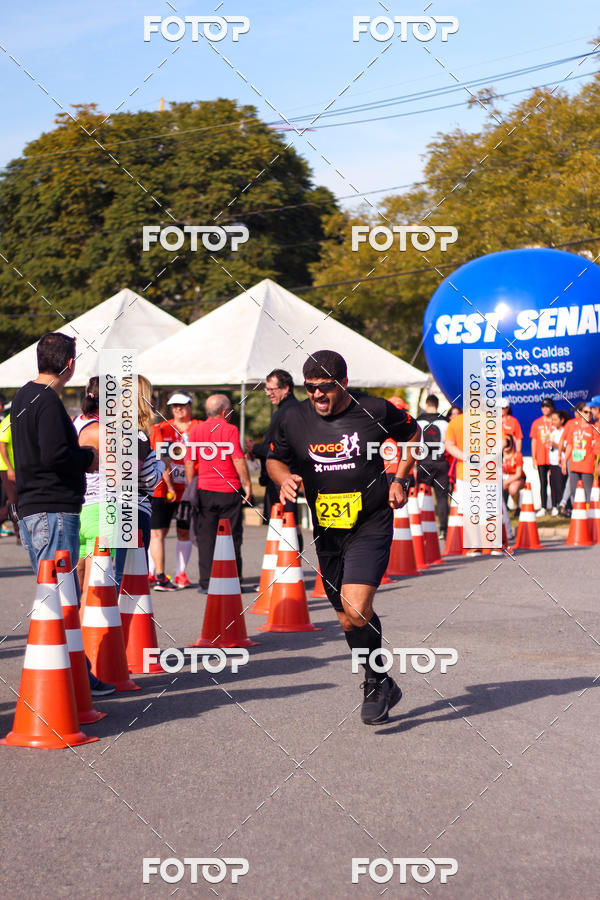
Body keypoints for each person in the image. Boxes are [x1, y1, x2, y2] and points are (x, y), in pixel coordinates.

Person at [266, 350, 420, 726]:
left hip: (371, 522)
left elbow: (415, 434)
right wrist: (283, 477)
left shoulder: (375, 410)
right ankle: (383, 679)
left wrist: (399, 479)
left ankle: (371, 683)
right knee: (348, 620)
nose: (317, 396)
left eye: (325, 388)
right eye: (310, 388)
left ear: (343, 384)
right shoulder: (291, 416)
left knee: (355, 608)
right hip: (327, 529)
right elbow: (273, 458)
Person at [11, 332, 114, 696]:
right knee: (61, 597)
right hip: (52, 508)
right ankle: (69, 682)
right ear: (70, 364)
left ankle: (71, 677)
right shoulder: (49, 402)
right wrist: (88, 458)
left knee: (56, 596)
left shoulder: (23, 396)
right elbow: (56, 455)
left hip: (34, 506)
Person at [184, 394, 251, 592]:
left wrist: (191, 486)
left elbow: (189, 461)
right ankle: (233, 579)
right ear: (224, 412)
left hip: (204, 490)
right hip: (229, 490)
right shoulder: (230, 429)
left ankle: (206, 582)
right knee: (232, 536)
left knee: (206, 537)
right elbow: (238, 459)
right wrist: (246, 483)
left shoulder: (196, 430)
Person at [114, 375, 165, 593]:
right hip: (132, 509)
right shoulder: (137, 437)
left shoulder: (108, 431)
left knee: (110, 572)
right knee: (128, 576)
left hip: (105, 507)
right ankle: (123, 625)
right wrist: (161, 467)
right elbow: (142, 478)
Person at [149, 392, 201, 591]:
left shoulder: (199, 426)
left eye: (182, 405)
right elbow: (159, 457)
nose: (178, 409)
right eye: (174, 406)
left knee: (183, 530)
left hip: (188, 488)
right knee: (159, 531)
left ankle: (181, 573)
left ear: (190, 405)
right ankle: (153, 573)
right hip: (165, 486)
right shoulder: (162, 427)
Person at [246, 369, 299, 521]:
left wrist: (254, 448)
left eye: (271, 389)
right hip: (279, 479)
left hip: (284, 478)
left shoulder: (289, 412)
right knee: (283, 527)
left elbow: (278, 449)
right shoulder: (285, 410)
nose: (268, 393)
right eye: (266, 389)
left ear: (286, 388)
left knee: (287, 526)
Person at [73, 377, 102, 611]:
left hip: (77, 504)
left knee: (76, 586)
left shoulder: (73, 422)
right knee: (94, 591)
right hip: (100, 505)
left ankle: (72, 638)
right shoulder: (103, 430)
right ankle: (89, 644)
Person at [416, 394, 450, 539]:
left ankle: (420, 527)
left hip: (424, 461)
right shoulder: (445, 422)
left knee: (421, 495)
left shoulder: (418, 421)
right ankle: (443, 529)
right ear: (437, 405)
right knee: (442, 497)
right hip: (441, 461)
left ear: (426, 403)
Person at [561, 402, 597, 503]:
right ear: (580, 412)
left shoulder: (594, 428)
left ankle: (590, 514)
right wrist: (564, 462)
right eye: (586, 412)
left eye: (590, 413)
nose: (588, 415)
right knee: (574, 490)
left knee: (588, 491)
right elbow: (569, 445)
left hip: (587, 464)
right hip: (574, 463)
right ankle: (577, 514)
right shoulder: (574, 427)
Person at [530, 398, 555, 516]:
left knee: (553, 482)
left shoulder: (555, 420)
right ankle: (544, 507)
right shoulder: (537, 423)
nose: (545, 409)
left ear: (552, 407)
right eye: (543, 407)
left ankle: (555, 505)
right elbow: (534, 441)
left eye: (547, 406)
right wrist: (534, 458)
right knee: (543, 483)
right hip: (541, 457)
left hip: (553, 457)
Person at [0, 411, 19, 538]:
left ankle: (20, 534)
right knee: (14, 501)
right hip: (6, 468)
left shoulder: (19, 419)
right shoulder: (8, 422)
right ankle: (19, 534)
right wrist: (10, 469)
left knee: (16, 501)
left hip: (16, 467)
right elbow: (2, 445)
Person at [548, 410, 569, 516]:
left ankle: (564, 507)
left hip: (561, 462)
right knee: (554, 485)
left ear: (562, 420)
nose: (553, 422)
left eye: (555, 419)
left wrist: (555, 444)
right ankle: (555, 506)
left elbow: (566, 447)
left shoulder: (564, 431)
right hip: (552, 463)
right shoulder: (554, 431)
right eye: (552, 420)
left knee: (561, 486)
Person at [502, 434, 525, 510]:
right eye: (504, 442)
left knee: (513, 488)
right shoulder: (499, 456)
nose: (506, 444)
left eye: (508, 441)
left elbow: (518, 474)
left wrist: (506, 482)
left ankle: (516, 507)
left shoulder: (517, 455)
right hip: (504, 478)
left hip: (517, 478)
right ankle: (504, 506)